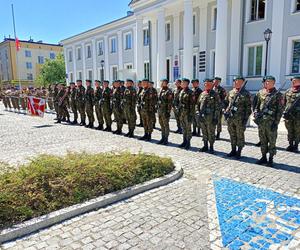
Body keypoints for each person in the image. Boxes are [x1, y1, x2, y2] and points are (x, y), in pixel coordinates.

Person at [254, 76, 284, 166]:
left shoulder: (278, 95)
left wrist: (276, 122)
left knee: (272, 141)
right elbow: (257, 105)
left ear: (274, 83)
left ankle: (270, 159)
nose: (267, 83)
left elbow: (280, 110)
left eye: (269, 82)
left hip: (271, 122)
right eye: (266, 82)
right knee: (262, 140)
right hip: (261, 122)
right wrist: (256, 112)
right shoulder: (261, 92)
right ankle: (263, 157)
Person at [225, 76, 252, 159]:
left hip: (240, 119)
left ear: (243, 83)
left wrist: (245, 119)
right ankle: (233, 150)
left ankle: (239, 151)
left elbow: (248, 108)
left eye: (239, 81)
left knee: (240, 135)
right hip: (230, 118)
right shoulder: (230, 92)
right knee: (232, 134)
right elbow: (226, 103)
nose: (237, 82)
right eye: (235, 81)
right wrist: (225, 110)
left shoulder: (246, 94)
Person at [196, 79, 220, 153]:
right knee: (204, 132)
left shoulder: (215, 94)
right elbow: (197, 104)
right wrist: (197, 112)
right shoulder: (202, 94)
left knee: (211, 132)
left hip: (211, 118)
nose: (207, 85)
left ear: (212, 85)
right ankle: (205, 145)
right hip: (202, 117)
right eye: (206, 84)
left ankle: (211, 147)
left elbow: (217, 107)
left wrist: (215, 117)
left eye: (209, 84)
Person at [283, 75, 300, 152]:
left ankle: (296, 145)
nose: (293, 82)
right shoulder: (288, 91)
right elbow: (284, 102)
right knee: (289, 130)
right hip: (288, 115)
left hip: (298, 116)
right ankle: (290, 144)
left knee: (297, 130)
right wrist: (285, 111)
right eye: (292, 80)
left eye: (295, 80)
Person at [178, 78, 193, 150]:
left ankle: (188, 143)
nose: (182, 84)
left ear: (187, 84)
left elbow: (192, 105)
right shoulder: (181, 91)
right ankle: (184, 141)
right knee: (183, 128)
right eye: (182, 83)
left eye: (183, 83)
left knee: (188, 129)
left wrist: (191, 115)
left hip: (187, 114)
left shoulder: (190, 92)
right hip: (182, 113)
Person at [157, 79, 173, 145]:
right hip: (160, 111)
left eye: (163, 82)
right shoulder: (161, 90)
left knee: (166, 125)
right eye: (161, 82)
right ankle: (162, 138)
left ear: (166, 83)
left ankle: (166, 139)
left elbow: (170, 103)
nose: (161, 83)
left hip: (165, 111)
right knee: (161, 125)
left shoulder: (168, 91)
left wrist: (168, 112)